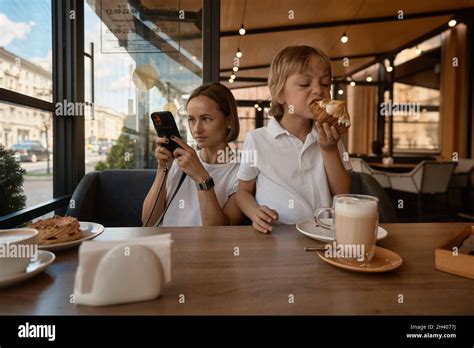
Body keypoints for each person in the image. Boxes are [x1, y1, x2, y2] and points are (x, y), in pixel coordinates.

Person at [235, 45, 352, 233]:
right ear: (279, 93)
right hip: (276, 235)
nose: (318, 91)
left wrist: (328, 149)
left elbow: (342, 192)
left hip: (322, 233)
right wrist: (255, 213)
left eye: (324, 83)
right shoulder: (257, 139)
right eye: (305, 84)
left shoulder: (330, 136)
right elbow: (242, 192)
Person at [142, 83, 242, 227]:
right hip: (164, 243)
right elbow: (148, 221)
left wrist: (201, 177)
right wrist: (162, 169)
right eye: (191, 120)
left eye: (206, 119)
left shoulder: (241, 172)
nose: (196, 129)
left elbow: (218, 232)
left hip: (201, 249)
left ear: (229, 121)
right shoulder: (179, 163)